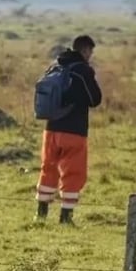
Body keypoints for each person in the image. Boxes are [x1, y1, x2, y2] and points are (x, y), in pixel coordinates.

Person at [36, 35, 102, 224]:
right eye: (90, 51)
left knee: (48, 169)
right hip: (74, 130)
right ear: (85, 50)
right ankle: (66, 217)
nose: (91, 55)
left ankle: (41, 214)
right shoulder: (83, 70)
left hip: (50, 129)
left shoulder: (56, 65)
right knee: (73, 172)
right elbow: (95, 99)